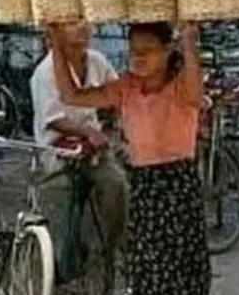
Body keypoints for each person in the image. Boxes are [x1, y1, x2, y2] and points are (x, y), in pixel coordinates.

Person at [49, 20, 211, 295]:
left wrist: (188, 42)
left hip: (178, 186)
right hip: (144, 185)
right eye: (134, 49)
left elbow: (196, 93)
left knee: (181, 271)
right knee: (148, 269)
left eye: (148, 49)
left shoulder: (180, 88)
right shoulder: (126, 88)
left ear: (168, 50)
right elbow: (71, 95)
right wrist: (56, 44)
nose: (139, 56)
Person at [30, 21, 127, 262]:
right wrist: (87, 131)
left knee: (129, 173)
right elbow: (54, 119)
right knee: (114, 182)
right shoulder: (45, 72)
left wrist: (120, 118)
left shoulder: (96, 60)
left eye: (84, 22)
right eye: (72, 24)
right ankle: (108, 249)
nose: (82, 29)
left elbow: (116, 93)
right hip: (60, 148)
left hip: (93, 145)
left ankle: (116, 242)